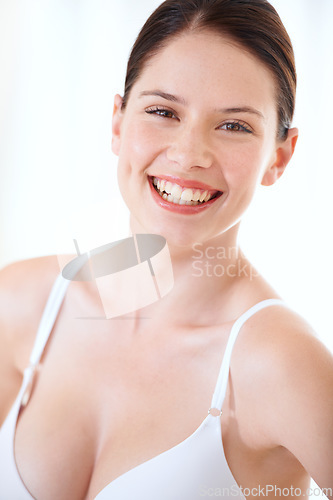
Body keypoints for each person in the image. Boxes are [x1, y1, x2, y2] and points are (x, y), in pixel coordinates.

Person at [0, 0, 332, 498]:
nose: (188, 154)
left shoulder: (279, 365)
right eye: (162, 112)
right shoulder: (23, 304)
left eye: (234, 125)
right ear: (117, 122)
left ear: (279, 157)